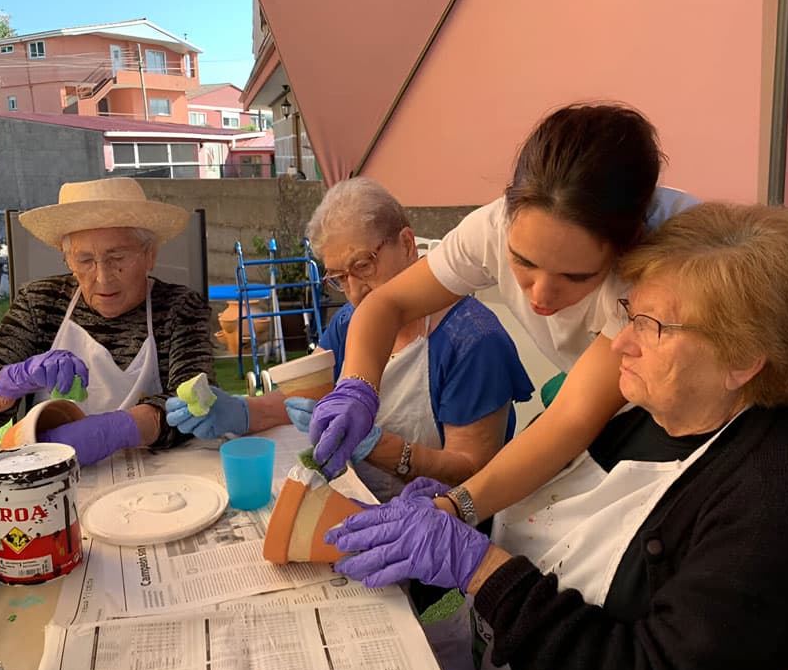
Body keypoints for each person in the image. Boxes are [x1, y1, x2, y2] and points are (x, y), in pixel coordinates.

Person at [325, 203, 788, 670]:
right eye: (630, 313)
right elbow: (538, 520)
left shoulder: (783, 498)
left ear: (742, 360)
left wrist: (477, 565)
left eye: (654, 327)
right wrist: (449, 515)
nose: (621, 342)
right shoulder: (632, 413)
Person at [307, 103, 699, 519]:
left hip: (678, 427)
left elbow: (572, 418)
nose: (541, 296)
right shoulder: (492, 228)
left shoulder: (664, 263)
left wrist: (455, 508)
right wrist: (357, 387)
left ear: (630, 242)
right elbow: (387, 303)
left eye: (577, 277)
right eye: (524, 263)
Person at [165, 177, 534, 502]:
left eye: (363, 265)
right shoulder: (346, 323)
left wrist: (375, 446)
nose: (355, 292)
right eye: (339, 277)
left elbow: (472, 473)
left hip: (436, 527)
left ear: (407, 244)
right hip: (355, 499)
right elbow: (309, 396)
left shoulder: (472, 340)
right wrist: (240, 412)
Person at [0, 177, 213, 465]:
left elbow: (198, 405)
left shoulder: (179, 307)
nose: (103, 277)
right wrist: (7, 384)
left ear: (150, 255)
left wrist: (117, 430)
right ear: (67, 260)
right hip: (47, 476)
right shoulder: (40, 303)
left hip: (153, 483)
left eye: (118, 257)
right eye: (85, 260)